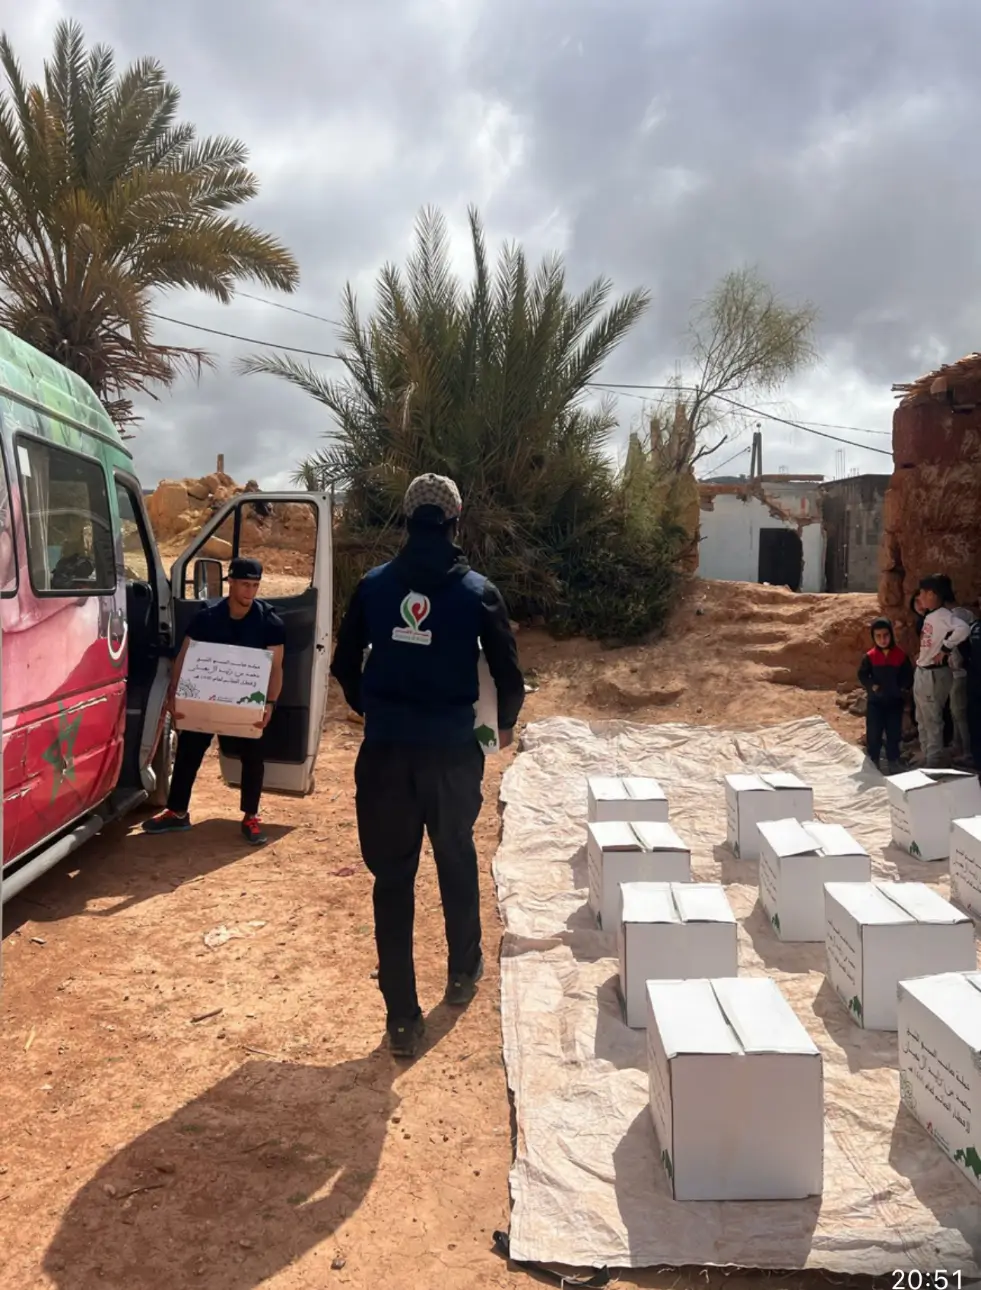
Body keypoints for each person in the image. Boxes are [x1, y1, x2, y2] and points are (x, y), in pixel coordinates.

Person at [331, 474, 525, 1058]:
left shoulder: (372, 588)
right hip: (450, 756)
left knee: (392, 881)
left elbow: (344, 665)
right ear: (455, 521)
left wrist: (376, 710)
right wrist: (505, 721)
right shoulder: (477, 593)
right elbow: (508, 676)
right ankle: (463, 974)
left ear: (407, 520)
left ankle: (401, 1019)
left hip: (386, 756)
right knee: (455, 855)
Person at [142, 556, 285, 845]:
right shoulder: (206, 617)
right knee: (188, 751)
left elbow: (276, 667)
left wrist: (269, 703)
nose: (250, 592)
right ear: (230, 582)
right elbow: (185, 656)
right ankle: (178, 812)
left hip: (247, 703)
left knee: (253, 756)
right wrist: (175, 695)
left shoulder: (269, 622)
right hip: (205, 700)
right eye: (244, 584)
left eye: (255, 585)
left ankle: (251, 816)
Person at [912, 574, 970, 768]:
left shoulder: (944, 615)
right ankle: (928, 755)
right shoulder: (930, 616)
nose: (919, 597)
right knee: (922, 717)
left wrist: (946, 647)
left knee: (932, 719)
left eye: (922, 593)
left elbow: (963, 628)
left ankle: (934, 762)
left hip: (934, 674)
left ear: (932, 594)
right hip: (923, 671)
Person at [858, 617, 912, 774]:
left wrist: (901, 689)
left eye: (886, 635)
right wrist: (871, 686)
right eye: (878, 636)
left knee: (893, 733)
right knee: (874, 732)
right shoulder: (870, 656)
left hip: (895, 702)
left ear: (891, 635)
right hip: (876, 702)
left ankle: (893, 761)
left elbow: (907, 676)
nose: (882, 639)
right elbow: (862, 675)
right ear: (873, 637)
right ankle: (873, 760)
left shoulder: (900, 656)